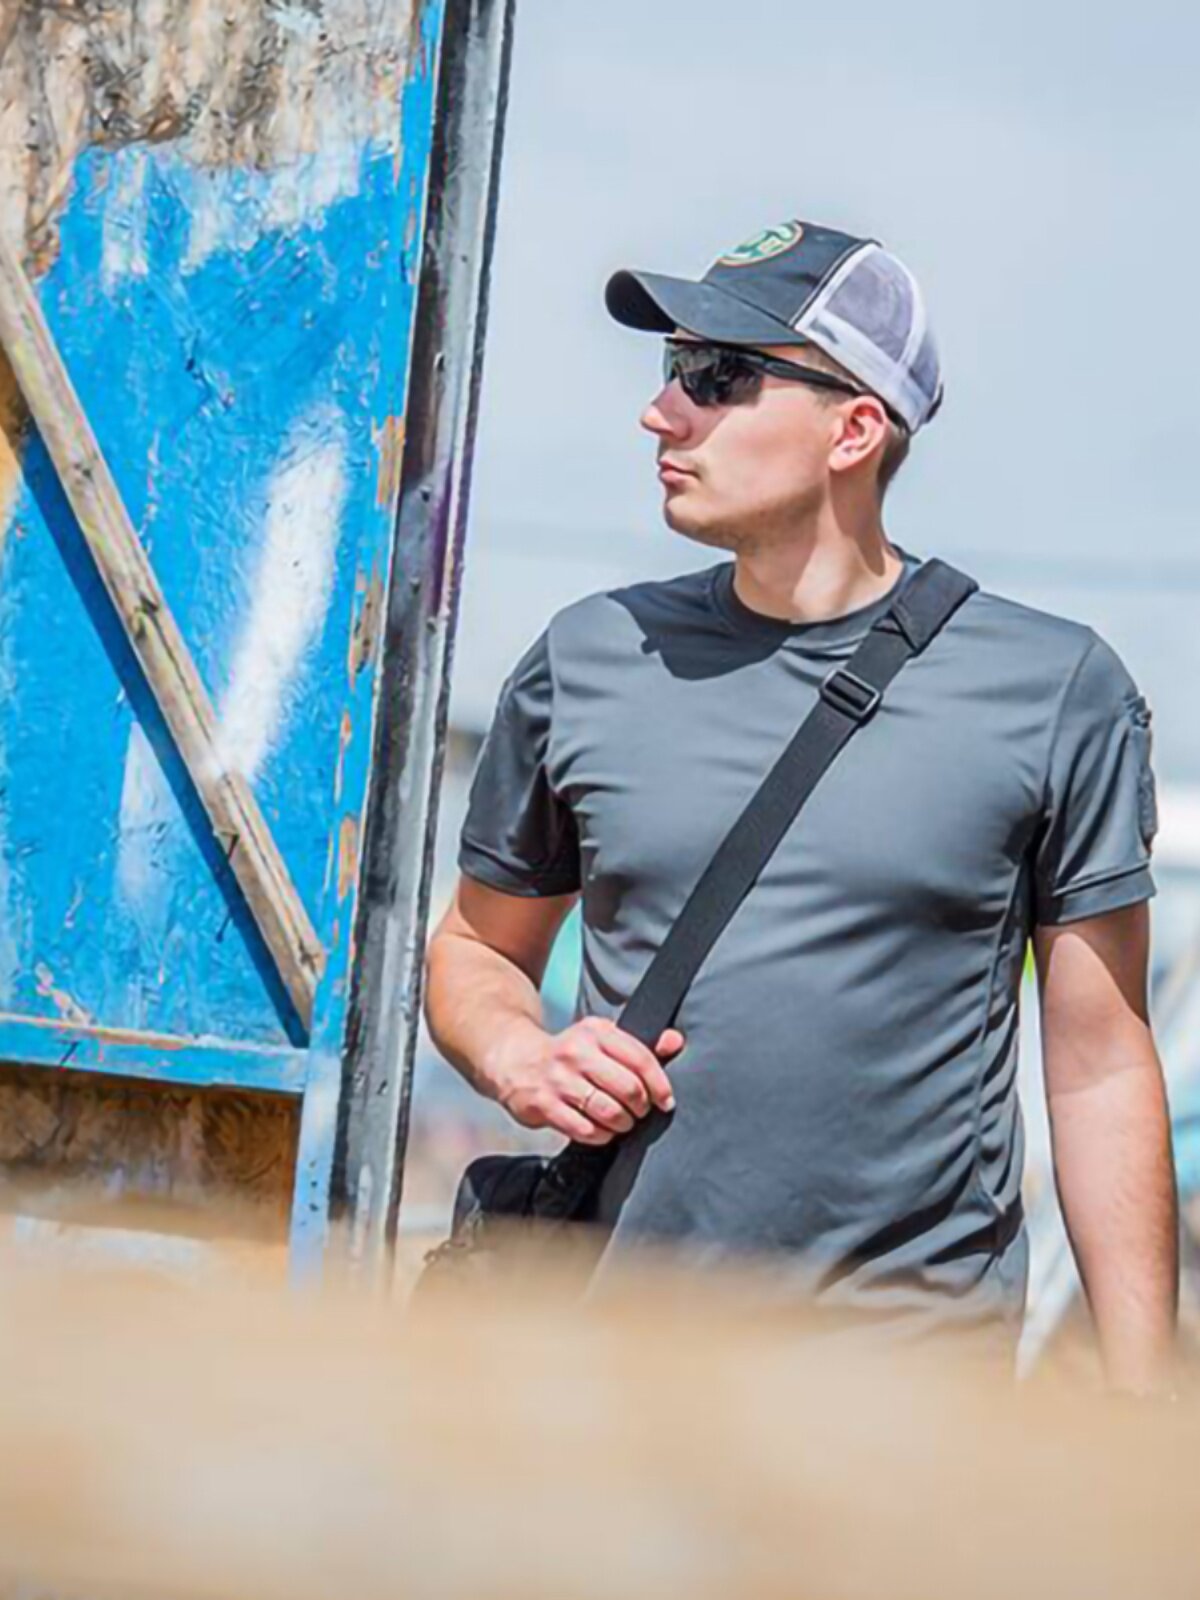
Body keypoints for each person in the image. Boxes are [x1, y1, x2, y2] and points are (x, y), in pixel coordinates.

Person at [423, 218, 1178, 1389]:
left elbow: (1099, 1064)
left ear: (854, 428)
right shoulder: (587, 657)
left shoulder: (1054, 691)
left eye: (715, 374)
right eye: (670, 368)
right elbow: (476, 948)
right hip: (604, 1373)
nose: (661, 413)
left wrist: (1141, 1408)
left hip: (907, 1381)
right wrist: (518, 1052)